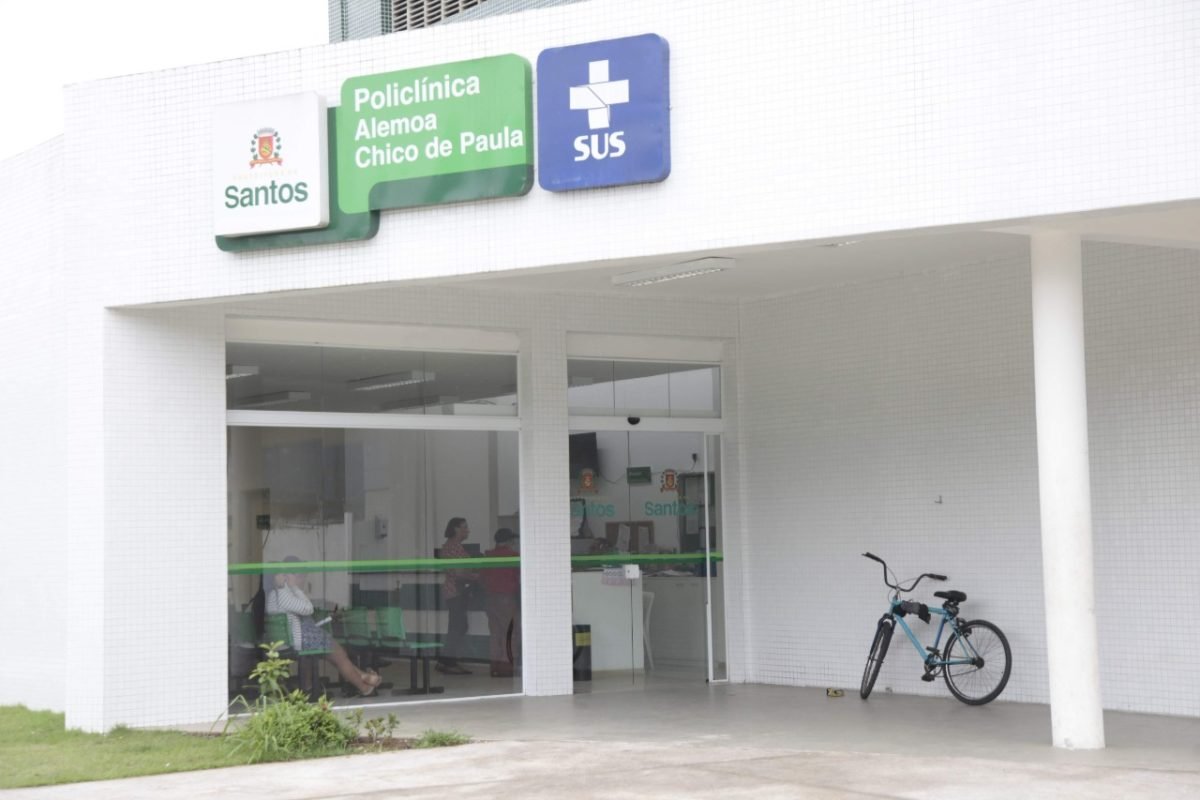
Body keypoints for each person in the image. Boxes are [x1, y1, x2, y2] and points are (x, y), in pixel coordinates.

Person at [265, 556, 382, 696]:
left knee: (334, 653)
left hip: (289, 641)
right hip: (298, 642)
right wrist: (294, 587)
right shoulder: (283, 595)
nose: (302, 580)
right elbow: (308, 608)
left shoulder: (273, 595)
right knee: (338, 653)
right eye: (299, 576)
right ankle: (364, 687)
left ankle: (363, 676)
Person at [436, 517, 478, 675]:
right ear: (455, 529)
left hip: (454, 591)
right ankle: (449, 662)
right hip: (456, 591)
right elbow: (459, 572)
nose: (468, 530)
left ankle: (445, 660)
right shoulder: (453, 547)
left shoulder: (451, 546)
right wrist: (476, 576)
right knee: (457, 627)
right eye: (464, 527)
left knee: (457, 626)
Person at [482, 528, 521, 678]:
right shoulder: (513, 556)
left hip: (490, 599)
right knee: (509, 633)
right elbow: (520, 576)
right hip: (507, 599)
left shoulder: (488, 556)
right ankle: (506, 668)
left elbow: (481, 578)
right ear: (510, 541)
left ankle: (495, 667)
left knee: (495, 634)